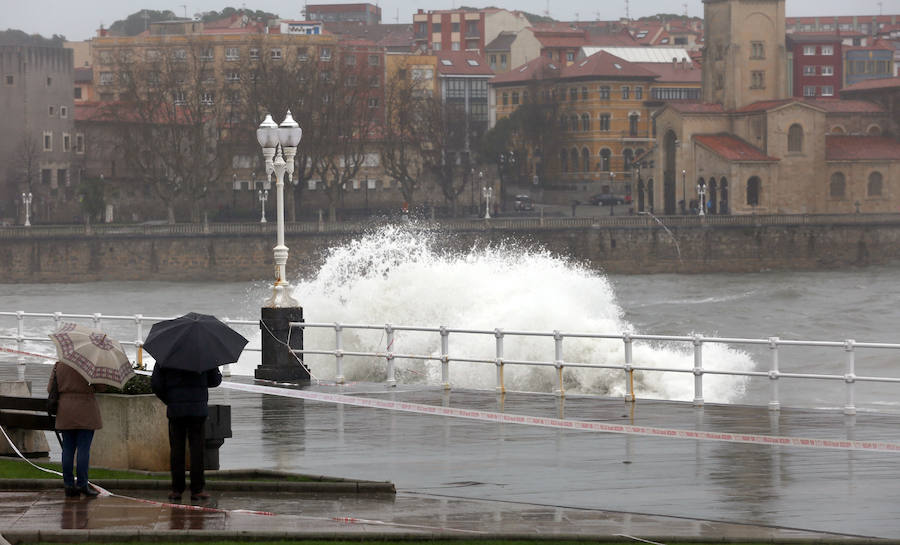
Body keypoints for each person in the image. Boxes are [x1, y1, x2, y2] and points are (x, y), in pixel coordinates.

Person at [151, 365, 222, 501]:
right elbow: (215, 381)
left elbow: (156, 384)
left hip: (176, 410)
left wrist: (169, 400)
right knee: (197, 451)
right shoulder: (204, 355)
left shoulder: (166, 356)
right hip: (198, 411)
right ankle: (197, 490)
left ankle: (177, 489)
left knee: (177, 450)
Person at [48, 362, 103, 498]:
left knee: (67, 448)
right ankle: (82, 484)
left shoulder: (59, 365)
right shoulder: (91, 364)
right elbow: (101, 387)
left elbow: (50, 388)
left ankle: (68, 484)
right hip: (86, 409)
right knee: (83, 449)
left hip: (65, 410)